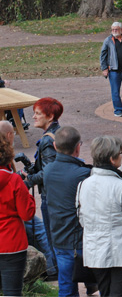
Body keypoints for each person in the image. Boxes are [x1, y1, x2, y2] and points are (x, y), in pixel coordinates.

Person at [78, 136, 122, 297]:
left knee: (106, 292)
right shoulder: (121, 186)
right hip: (120, 250)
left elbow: (81, 217)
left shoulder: (84, 184)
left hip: (94, 250)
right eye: (121, 153)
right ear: (112, 158)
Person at [1, 119, 55, 281]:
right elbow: (27, 213)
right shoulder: (7, 159)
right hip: (11, 240)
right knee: (39, 229)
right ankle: (52, 268)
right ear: (9, 135)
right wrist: (21, 185)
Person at [43, 126, 93, 297]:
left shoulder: (48, 170)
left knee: (66, 285)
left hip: (59, 237)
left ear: (55, 146)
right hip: (79, 239)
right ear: (78, 147)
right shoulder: (84, 173)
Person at [22, 97, 64, 277]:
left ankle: (56, 273)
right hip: (62, 194)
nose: (33, 117)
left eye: (38, 113)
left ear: (50, 116)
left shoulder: (47, 141)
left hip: (51, 196)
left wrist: (28, 180)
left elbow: (48, 172)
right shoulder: (60, 133)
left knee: (53, 238)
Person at [0, 125, 36, 296]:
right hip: (11, 243)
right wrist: (26, 189)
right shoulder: (14, 180)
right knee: (12, 292)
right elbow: (27, 214)